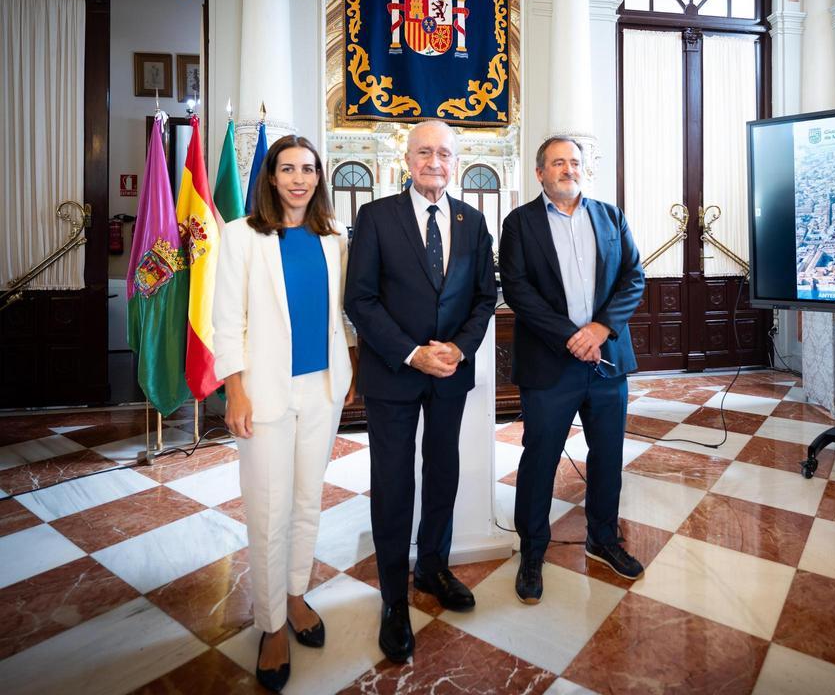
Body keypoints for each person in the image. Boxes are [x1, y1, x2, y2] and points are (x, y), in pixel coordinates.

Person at [344, 119, 497, 663]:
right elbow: (359, 300)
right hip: (395, 373)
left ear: (457, 161)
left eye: (445, 153)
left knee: (442, 471)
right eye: (425, 152)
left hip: (450, 373)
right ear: (406, 160)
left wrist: (457, 348)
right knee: (391, 482)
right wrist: (413, 352)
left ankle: (432, 566)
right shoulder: (376, 217)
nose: (435, 162)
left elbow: (485, 297)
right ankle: (392, 597)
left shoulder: (474, 221)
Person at [213, 135, 357, 692]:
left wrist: (345, 370)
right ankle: (271, 622)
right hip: (265, 392)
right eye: (288, 169)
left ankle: (296, 596)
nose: (299, 178)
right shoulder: (242, 235)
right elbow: (227, 319)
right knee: (268, 508)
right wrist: (236, 390)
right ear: (271, 177)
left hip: (321, 389)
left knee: (306, 500)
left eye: (309, 169)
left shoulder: (331, 237)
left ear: (318, 178)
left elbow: (340, 316)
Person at [498, 136, 646, 604]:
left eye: (575, 162)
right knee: (540, 458)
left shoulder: (610, 216)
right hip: (549, 363)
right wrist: (571, 336)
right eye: (557, 162)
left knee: (607, 455)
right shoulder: (520, 223)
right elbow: (519, 290)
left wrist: (600, 329)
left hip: (606, 361)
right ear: (539, 173)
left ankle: (602, 539)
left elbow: (633, 277)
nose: (568, 169)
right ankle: (533, 550)